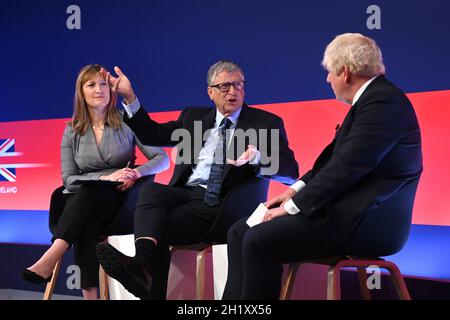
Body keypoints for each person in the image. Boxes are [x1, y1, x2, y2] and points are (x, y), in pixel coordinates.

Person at [222, 33, 423, 299]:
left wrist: (293, 208)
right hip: (342, 212)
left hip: (365, 221)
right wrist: (293, 191)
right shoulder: (371, 101)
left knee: (258, 240)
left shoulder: (383, 102)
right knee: (239, 231)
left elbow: (348, 168)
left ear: (346, 72)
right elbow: (333, 162)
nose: (328, 79)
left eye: (329, 72)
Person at [95, 60, 299, 299]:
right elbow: (153, 134)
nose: (233, 92)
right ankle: (143, 264)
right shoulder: (194, 117)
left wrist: (259, 157)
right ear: (210, 92)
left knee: (158, 225)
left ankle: (145, 276)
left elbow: (290, 172)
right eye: (225, 86)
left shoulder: (266, 123)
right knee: (151, 192)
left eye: (238, 85)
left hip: (223, 204)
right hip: (186, 193)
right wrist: (130, 97)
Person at [21, 64, 169, 299]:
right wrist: (103, 178)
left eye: (103, 84)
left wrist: (136, 173)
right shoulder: (71, 131)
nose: (99, 89)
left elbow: (163, 159)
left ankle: (53, 254)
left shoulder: (128, 121)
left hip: (123, 200)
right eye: (91, 85)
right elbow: (68, 179)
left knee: (88, 200)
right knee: (87, 221)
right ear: (81, 92)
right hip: (87, 203)